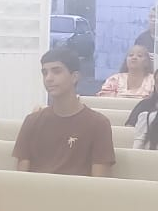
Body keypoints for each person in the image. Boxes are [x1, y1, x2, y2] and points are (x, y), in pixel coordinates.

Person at [13, 48, 115, 176]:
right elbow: (21, 178)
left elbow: (99, 182)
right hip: (37, 187)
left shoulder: (98, 124)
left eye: (56, 71)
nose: (48, 78)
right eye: (45, 73)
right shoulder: (32, 121)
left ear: (74, 77)